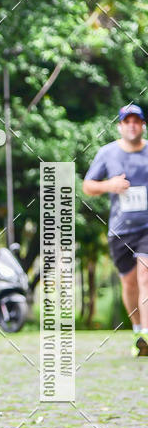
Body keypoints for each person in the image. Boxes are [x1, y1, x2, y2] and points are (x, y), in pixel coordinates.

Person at [82, 104, 148, 356]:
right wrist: (110, 185)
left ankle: (147, 334)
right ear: (120, 126)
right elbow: (88, 186)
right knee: (129, 285)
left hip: (146, 227)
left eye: (136, 121)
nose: (132, 125)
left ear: (143, 125)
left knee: (145, 276)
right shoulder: (107, 153)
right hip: (121, 231)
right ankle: (138, 331)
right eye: (127, 121)